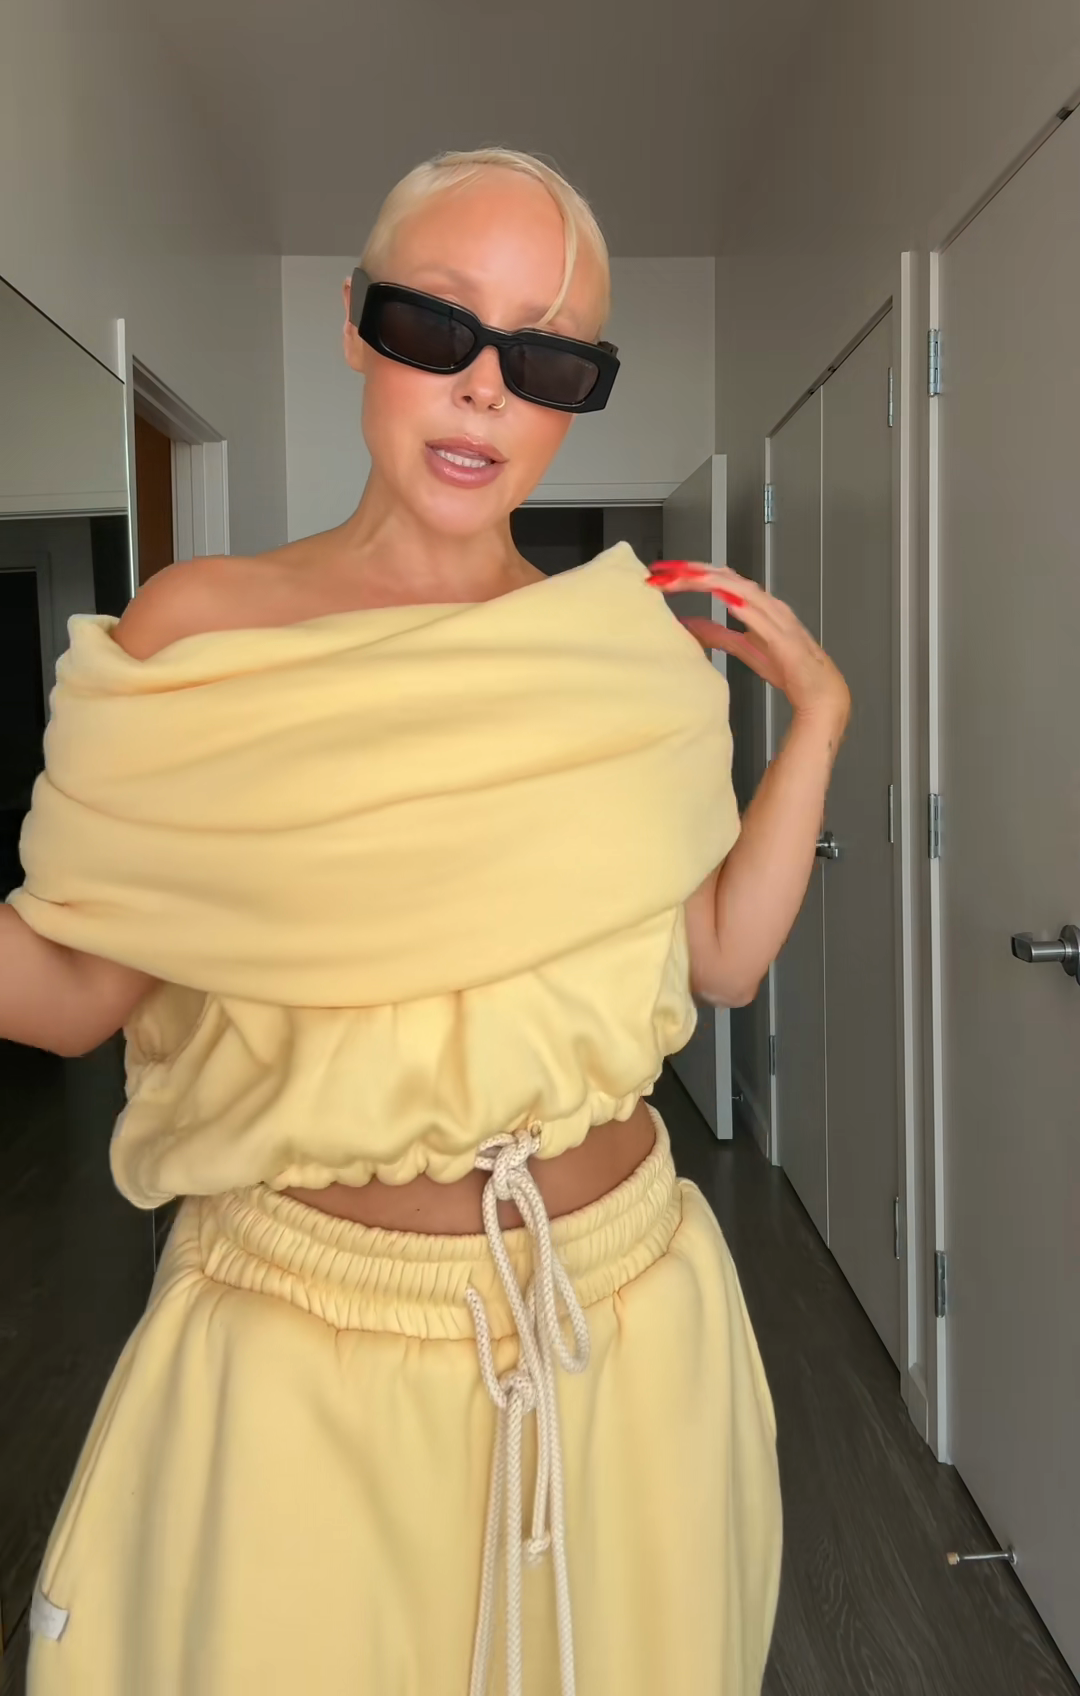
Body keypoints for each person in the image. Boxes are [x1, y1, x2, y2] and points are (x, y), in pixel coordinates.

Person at [4, 147, 850, 1696]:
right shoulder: (204, 629)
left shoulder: (629, 652)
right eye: (435, 326)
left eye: (546, 357)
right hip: (303, 1354)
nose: (482, 388)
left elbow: (721, 960)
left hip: (627, 1324)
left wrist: (821, 727)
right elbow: (64, 994)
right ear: (353, 323)